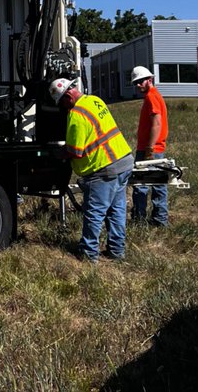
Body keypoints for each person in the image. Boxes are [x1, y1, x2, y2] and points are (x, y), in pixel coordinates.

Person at [49, 78, 134, 262]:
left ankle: (89, 254)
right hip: (124, 161)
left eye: (62, 102)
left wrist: (55, 154)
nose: (63, 107)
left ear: (69, 96)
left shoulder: (76, 115)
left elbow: (75, 151)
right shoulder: (95, 100)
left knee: (95, 213)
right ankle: (116, 251)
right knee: (117, 210)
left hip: (104, 169)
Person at [130, 65, 170, 227]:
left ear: (150, 80)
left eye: (141, 81)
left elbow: (156, 123)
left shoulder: (151, 97)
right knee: (158, 184)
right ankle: (160, 219)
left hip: (150, 150)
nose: (138, 85)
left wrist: (149, 148)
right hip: (155, 148)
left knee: (141, 185)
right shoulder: (154, 96)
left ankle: (140, 219)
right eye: (136, 82)